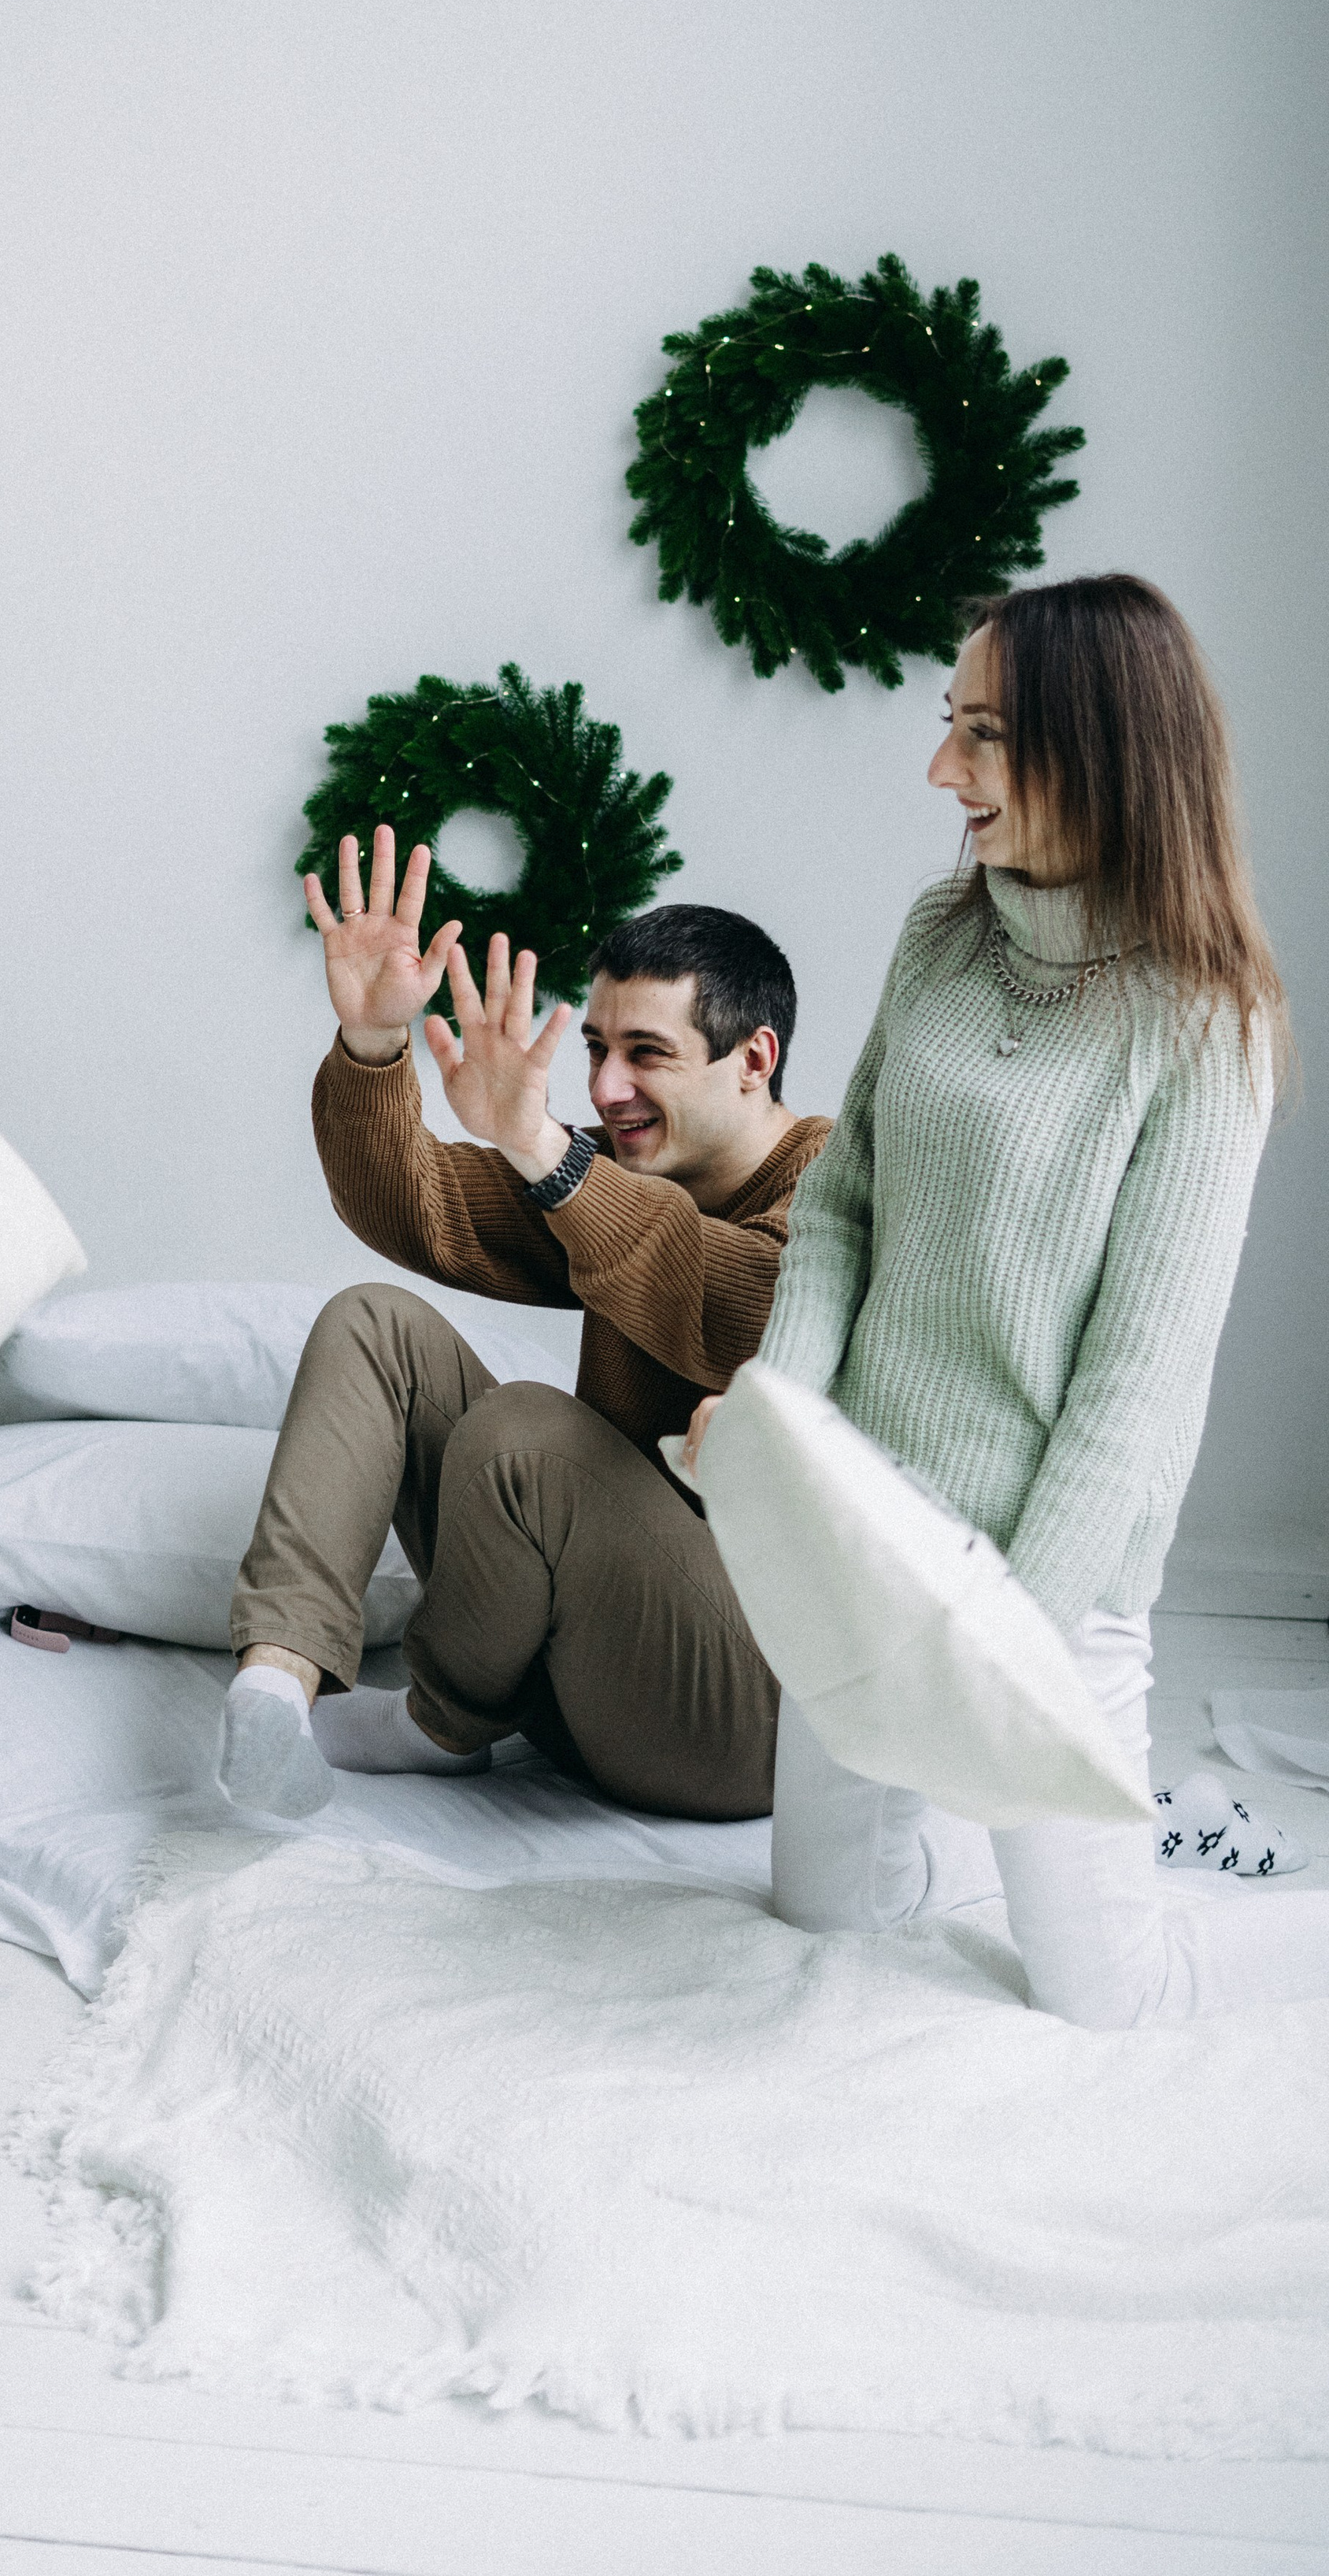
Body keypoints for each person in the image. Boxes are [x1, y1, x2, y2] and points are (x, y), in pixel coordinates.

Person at [687, 574, 1329, 2029]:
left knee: (1109, 2008)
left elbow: (1138, 1379)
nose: (941, 770)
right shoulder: (941, 932)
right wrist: (781, 1425)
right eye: (950, 724)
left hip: (1048, 1578)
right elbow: (842, 1206)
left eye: (983, 734)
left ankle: (1187, 1854)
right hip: (871, 1530)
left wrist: (1003, 1646)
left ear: (1099, 749)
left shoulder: (1207, 1018)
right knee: (823, 1933)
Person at [216, 821, 830, 1822]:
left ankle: (438, 1725)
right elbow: (414, 1205)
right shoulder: (624, 1170)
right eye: (595, 1050)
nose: (606, 1089)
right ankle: (277, 1687)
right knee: (375, 1325)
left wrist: (544, 1148)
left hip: (738, 1721)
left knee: (529, 1432)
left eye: (646, 1054)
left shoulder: (837, 1186)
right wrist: (373, 1042)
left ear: (753, 1057)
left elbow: (736, 1303)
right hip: (581, 1666)